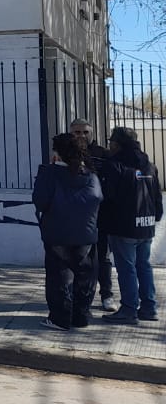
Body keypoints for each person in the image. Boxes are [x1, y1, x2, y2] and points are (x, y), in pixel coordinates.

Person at [32, 132, 102, 331]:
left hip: (57, 233)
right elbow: (98, 199)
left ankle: (60, 319)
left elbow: (40, 201)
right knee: (85, 276)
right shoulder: (90, 175)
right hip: (85, 234)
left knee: (59, 276)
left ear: (57, 153)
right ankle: (81, 316)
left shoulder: (50, 173)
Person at [97, 126, 162, 324]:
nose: (110, 145)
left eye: (111, 142)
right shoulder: (149, 165)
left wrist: (103, 220)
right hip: (146, 224)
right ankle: (149, 308)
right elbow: (156, 195)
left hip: (122, 225)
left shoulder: (114, 165)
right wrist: (155, 216)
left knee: (127, 268)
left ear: (117, 144)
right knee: (144, 265)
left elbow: (108, 196)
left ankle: (129, 309)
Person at [69, 118, 117, 312]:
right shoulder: (65, 154)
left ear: (92, 134)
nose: (81, 135)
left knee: (103, 257)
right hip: (75, 216)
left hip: (101, 214)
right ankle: (80, 298)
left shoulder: (104, 154)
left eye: (85, 132)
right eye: (77, 132)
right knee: (77, 259)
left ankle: (107, 295)